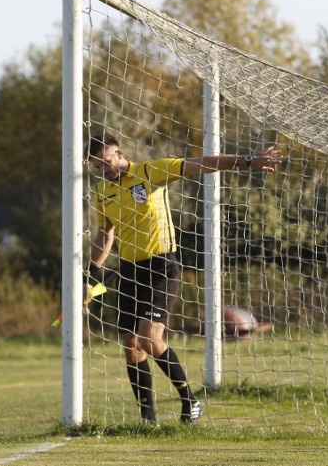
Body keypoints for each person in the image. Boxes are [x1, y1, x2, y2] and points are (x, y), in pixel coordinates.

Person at [84, 133, 284, 424]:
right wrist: (90, 277)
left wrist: (247, 160)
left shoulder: (150, 172)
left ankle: (190, 401)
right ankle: (148, 421)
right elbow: (106, 235)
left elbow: (200, 163)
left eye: (106, 162)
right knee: (130, 345)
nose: (103, 170)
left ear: (120, 152)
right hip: (129, 270)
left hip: (161, 267)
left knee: (149, 338)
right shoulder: (104, 192)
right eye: (96, 167)